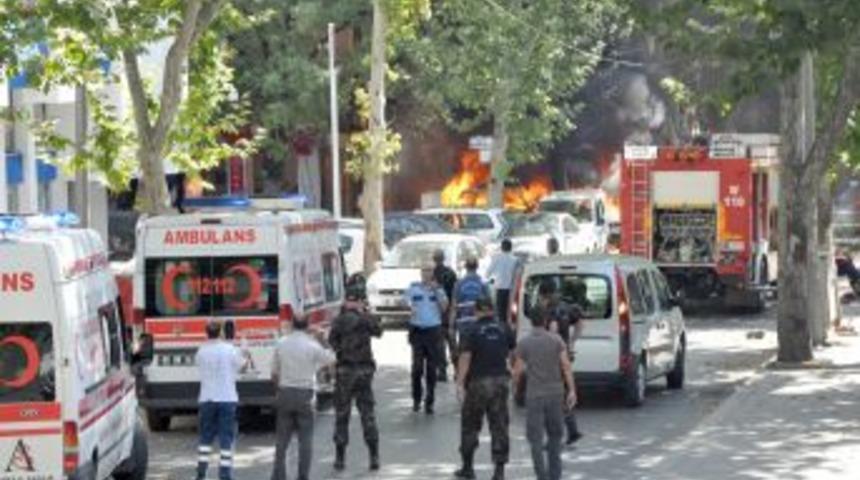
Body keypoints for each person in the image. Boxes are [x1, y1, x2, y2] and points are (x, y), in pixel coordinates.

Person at [454, 296, 515, 480]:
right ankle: (499, 472)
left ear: (477, 310)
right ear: (493, 310)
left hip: (478, 383)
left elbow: (465, 357)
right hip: (499, 382)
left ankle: (468, 467)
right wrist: (511, 374)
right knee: (499, 426)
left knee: (470, 425)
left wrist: (459, 382)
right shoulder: (504, 328)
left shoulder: (470, 330)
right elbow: (513, 353)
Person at [270, 316, 337, 480]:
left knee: (282, 440)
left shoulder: (281, 343)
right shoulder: (312, 345)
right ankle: (302, 476)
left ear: (292, 325)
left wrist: (278, 390)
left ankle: (279, 476)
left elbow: (274, 373)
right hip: (306, 394)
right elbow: (332, 359)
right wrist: (323, 340)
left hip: (285, 392)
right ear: (307, 326)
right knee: (305, 440)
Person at [513, 309, 577, 480]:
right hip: (556, 394)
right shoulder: (556, 340)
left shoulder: (524, 343)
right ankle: (555, 476)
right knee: (555, 437)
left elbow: (517, 371)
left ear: (530, 321)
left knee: (535, 439)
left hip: (534, 395)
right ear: (546, 321)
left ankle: (541, 476)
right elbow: (566, 365)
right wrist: (572, 390)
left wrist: (513, 387)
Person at [328, 285, 383, 471]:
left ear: (346, 301)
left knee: (342, 415)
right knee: (368, 415)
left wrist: (342, 350)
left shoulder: (339, 320)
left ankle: (340, 459)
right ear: (360, 300)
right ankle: (374, 456)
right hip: (364, 373)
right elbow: (379, 331)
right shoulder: (366, 318)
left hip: (345, 372)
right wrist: (367, 312)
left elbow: (332, 341)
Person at [533, 280, 585, 445]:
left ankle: (554, 438)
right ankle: (573, 430)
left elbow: (553, 329)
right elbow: (580, 324)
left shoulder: (549, 310)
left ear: (543, 295)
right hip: (564, 354)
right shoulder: (566, 307)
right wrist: (571, 342)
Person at [195, 321, 247, 480]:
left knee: (205, 438)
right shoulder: (230, 350)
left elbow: (200, 368)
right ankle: (225, 475)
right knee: (226, 439)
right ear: (221, 333)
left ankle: (201, 474)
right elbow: (242, 367)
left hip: (207, 398)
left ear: (206, 333)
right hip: (227, 398)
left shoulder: (201, 351)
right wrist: (244, 351)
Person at [403, 266, 449, 414]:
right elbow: (404, 301)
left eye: (429, 272)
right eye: (424, 271)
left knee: (431, 368)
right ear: (421, 273)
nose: (426, 274)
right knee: (416, 367)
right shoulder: (413, 287)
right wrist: (410, 306)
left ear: (433, 274)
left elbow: (444, 307)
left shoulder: (438, 290)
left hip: (433, 331)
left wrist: (436, 291)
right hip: (417, 330)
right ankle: (416, 398)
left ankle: (430, 400)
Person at [449, 257, 492, 371]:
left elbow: (454, 306)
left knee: (464, 350)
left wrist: (451, 326)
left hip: (463, 324)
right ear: (477, 267)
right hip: (479, 323)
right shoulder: (483, 283)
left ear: (465, 267)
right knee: (479, 350)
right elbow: (489, 305)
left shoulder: (458, 284)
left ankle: (462, 372)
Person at [433, 249, 458, 381]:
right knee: (452, 340)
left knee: (440, 343)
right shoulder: (451, 273)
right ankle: (457, 369)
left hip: (437, 312)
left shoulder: (432, 274)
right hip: (450, 311)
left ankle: (442, 371)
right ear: (444, 258)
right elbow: (456, 291)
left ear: (434, 259)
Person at [486, 239, 519, 325]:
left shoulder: (496, 258)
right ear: (511, 248)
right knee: (509, 314)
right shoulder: (515, 260)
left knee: (500, 314)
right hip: (511, 290)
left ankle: (501, 329)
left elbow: (488, 273)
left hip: (499, 289)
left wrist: (492, 281)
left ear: (501, 248)